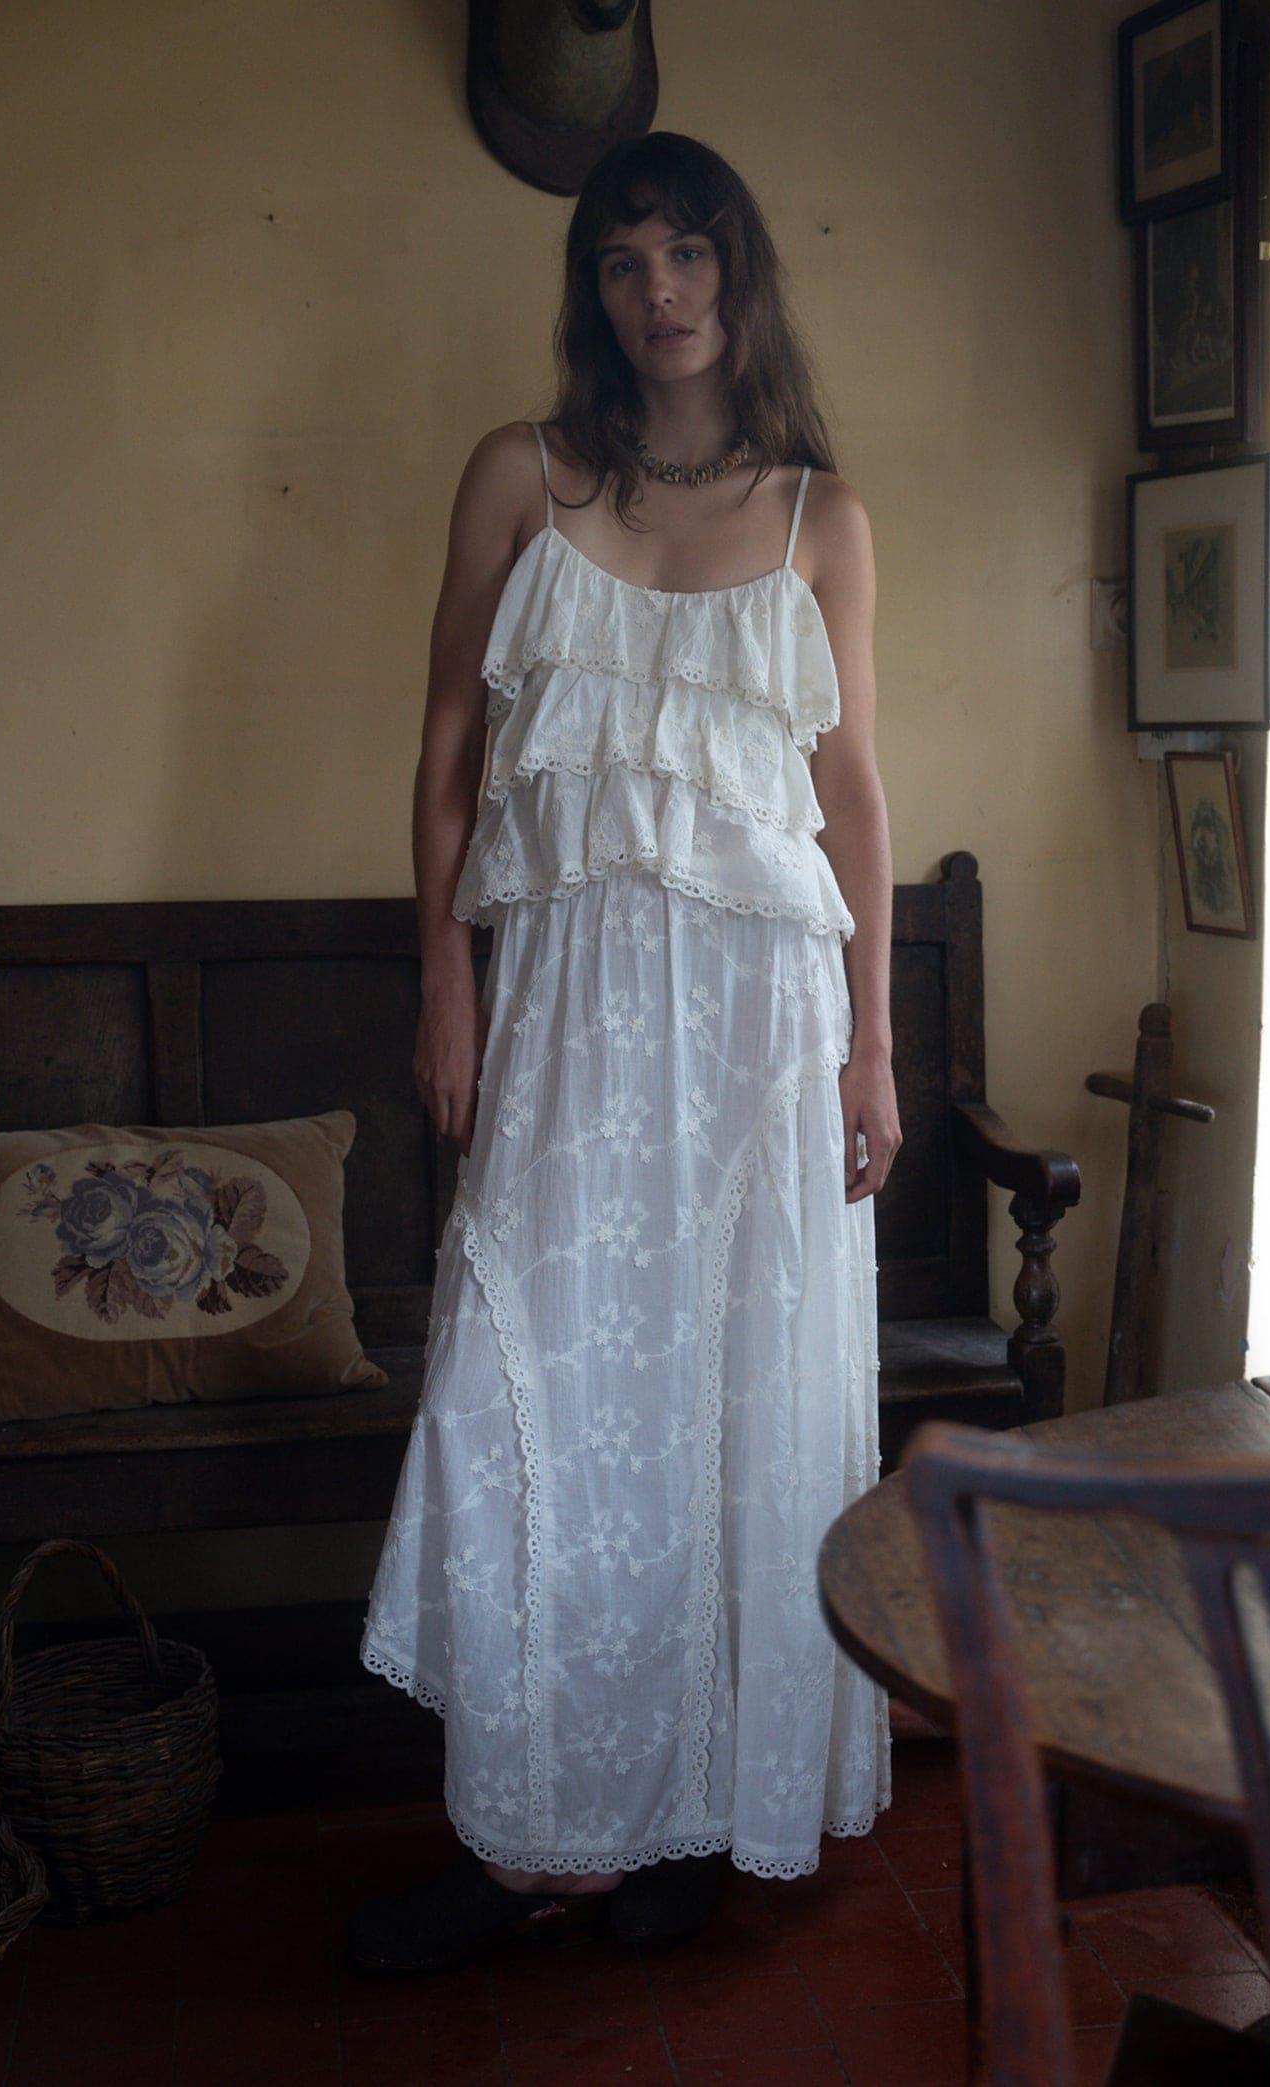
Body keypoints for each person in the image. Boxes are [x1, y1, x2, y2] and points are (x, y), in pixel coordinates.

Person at [350, 131, 901, 1978]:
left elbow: (854, 802)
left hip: (762, 1019)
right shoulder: (522, 475)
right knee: (536, 1393)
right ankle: (530, 1833)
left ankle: (680, 1816)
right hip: (575, 995)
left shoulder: (821, 512)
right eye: (621, 262)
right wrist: (447, 973)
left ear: (737, 274)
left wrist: (876, 1049)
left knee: (726, 1409)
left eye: (687, 255)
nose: (657, 292)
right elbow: (445, 742)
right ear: (591, 291)